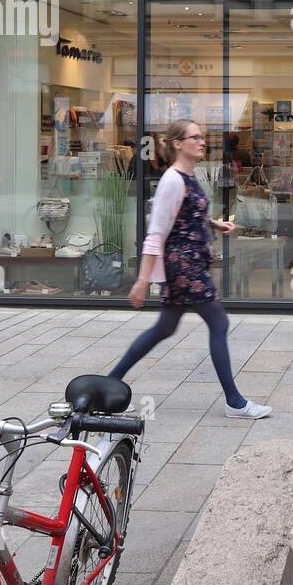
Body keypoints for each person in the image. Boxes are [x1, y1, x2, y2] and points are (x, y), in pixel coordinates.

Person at [110, 120, 271, 419]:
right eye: (194, 137)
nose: (201, 142)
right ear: (177, 144)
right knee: (218, 323)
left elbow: (189, 212)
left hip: (190, 261)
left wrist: (215, 223)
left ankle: (109, 385)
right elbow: (156, 232)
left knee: (164, 328)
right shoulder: (172, 180)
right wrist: (142, 280)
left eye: (202, 137)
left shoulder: (189, 175)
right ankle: (234, 401)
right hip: (183, 265)